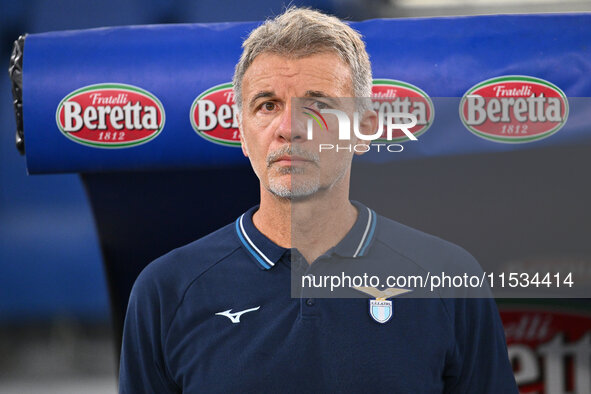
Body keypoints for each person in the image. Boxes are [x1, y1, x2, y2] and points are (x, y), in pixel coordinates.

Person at [119, 7, 518, 393]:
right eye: (267, 105)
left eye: (318, 104)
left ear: (363, 131)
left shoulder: (448, 279)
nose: (289, 128)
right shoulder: (166, 290)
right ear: (242, 132)